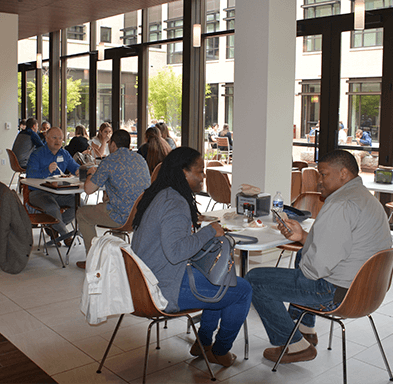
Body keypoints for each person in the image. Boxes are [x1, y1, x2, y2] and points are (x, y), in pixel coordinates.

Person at [245, 150, 392, 364]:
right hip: (367, 291)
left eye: (323, 174)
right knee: (303, 255)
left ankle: (294, 346)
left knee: (255, 280)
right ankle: (304, 328)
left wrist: (303, 263)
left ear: (343, 173)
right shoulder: (366, 199)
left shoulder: (340, 204)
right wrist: (303, 237)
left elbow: (315, 269)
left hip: (336, 293)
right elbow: (341, 247)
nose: (319, 181)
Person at [131, 147, 252, 367]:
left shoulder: (162, 193)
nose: (204, 176)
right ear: (183, 172)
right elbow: (176, 252)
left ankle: (203, 343)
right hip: (164, 288)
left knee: (217, 279)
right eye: (200, 170)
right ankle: (220, 350)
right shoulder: (175, 202)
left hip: (147, 280)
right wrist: (210, 231)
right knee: (242, 290)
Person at [76, 129, 151, 268]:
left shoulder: (109, 161)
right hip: (141, 215)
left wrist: (90, 173)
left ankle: (93, 261)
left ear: (113, 145)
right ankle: (120, 255)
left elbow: (88, 189)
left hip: (121, 217)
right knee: (111, 203)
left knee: (82, 213)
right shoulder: (140, 159)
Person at [26, 127, 80, 246]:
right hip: (38, 193)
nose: (58, 141)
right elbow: (30, 175)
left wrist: (79, 171)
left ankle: (53, 227)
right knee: (52, 207)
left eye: (60, 138)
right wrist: (47, 170)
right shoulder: (37, 154)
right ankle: (66, 235)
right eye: (54, 137)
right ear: (46, 138)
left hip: (58, 192)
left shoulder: (64, 153)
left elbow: (75, 167)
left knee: (78, 204)